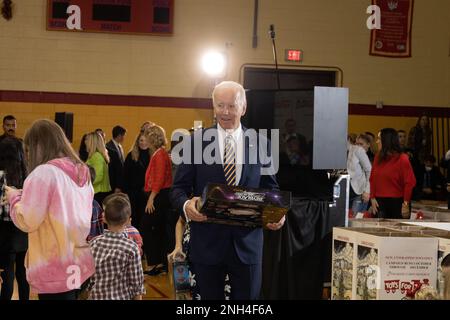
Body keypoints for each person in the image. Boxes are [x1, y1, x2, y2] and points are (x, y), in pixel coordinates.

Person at [170, 81, 285, 300]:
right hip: (206, 245)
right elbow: (178, 190)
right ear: (213, 107)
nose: (225, 111)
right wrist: (187, 205)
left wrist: (277, 213)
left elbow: (271, 188)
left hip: (248, 246)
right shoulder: (195, 143)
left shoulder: (262, 144)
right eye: (220, 105)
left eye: (231, 106)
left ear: (243, 107)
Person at [5, 119, 95, 300]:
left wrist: (14, 198)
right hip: (77, 261)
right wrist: (26, 194)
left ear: (39, 146)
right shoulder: (81, 170)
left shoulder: (44, 173)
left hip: (54, 268)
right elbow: (60, 202)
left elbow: (28, 220)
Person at [87, 193, 145, 300]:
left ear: (104, 218)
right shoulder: (131, 248)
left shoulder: (93, 243)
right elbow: (137, 285)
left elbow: (91, 278)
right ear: (128, 220)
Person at [0, 136, 29, 300]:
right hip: (22, 229)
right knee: (23, 274)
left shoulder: (0, 176)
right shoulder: (27, 176)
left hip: (3, 231)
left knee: (7, 275)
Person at [142, 125, 173, 275]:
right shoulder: (158, 153)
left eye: (147, 136)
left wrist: (151, 198)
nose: (145, 139)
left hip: (159, 196)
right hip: (159, 195)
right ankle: (159, 262)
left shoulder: (160, 154)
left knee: (147, 228)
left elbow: (159, 179)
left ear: (152, 138)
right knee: (158, 230)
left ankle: (154, 262)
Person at [370, 128, 416, 219]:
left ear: (386, 141)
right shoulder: (378, 157)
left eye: (379, 139)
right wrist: (372, 197)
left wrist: (406, 204)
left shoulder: (403, 158)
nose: (377, 142)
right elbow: (372, 178)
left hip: (398, 203)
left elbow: (409, 182)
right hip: (379, 202)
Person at [123, 132, 150, 230]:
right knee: (134, 218)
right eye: (141, 140)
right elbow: (125, 175)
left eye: (146, 140)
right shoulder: (131, 155)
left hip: (147, 194)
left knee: (145, 219)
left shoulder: (152, 156)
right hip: (133, 193)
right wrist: (125, 192)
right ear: (137, 142)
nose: (143, 143)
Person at [346, 135, 372, 214]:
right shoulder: (334, 152)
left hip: (359, 191)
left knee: (355, 220)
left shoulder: (357, 150)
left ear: (348, 139)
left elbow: (369, 170)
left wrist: (367, 191)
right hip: (343, 191)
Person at [85, 131, 111, 204]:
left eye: (87, 139)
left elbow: (98, 176)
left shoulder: (96, 156)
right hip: (97, 191)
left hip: (98, 192)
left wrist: (84, 182)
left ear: (92, 142)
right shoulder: (95, 155)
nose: (85, 141)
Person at [106, 126, 126, 193]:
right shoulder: (108, 147)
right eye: (124, 135)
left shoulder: (120, 146)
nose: (124, 138)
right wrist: (117, 186)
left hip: (119, 182)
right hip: (112, 182)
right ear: (119, 136)